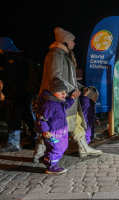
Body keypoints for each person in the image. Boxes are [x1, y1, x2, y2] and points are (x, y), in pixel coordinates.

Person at [34, 27, 102, 161]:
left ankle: (83, 148)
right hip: (58, 99)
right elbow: (56, 78)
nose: (74, 43)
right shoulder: (56, 54)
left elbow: (69, 79)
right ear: (65, 41)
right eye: (72, 40)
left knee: (76, 122)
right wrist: (72, 90)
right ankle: (39, 152)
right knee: (54, 126)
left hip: (67, 98)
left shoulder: (64, 54)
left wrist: (81, 89)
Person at [0, 37, 38, 152]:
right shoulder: (24, 57)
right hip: (26, 93)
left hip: (14, 94)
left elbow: (9, 78)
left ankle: (13, 143)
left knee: (13, 118)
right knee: (29, 117)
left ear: (4, 47)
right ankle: (37, 139)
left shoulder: (12, 59)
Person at [36, 77, 81, 174]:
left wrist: (72, 97)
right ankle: (51, 166)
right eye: (60, 91)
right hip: (52, 132)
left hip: (61, 132)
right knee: (56, 149)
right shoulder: (50, 104)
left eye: (65, 91)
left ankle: (46, 159)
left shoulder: (59, 102)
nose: (64, 94)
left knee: (63, 147)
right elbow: (42, 118)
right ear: (53, 92)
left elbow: (66, 105)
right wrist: (45, 131)